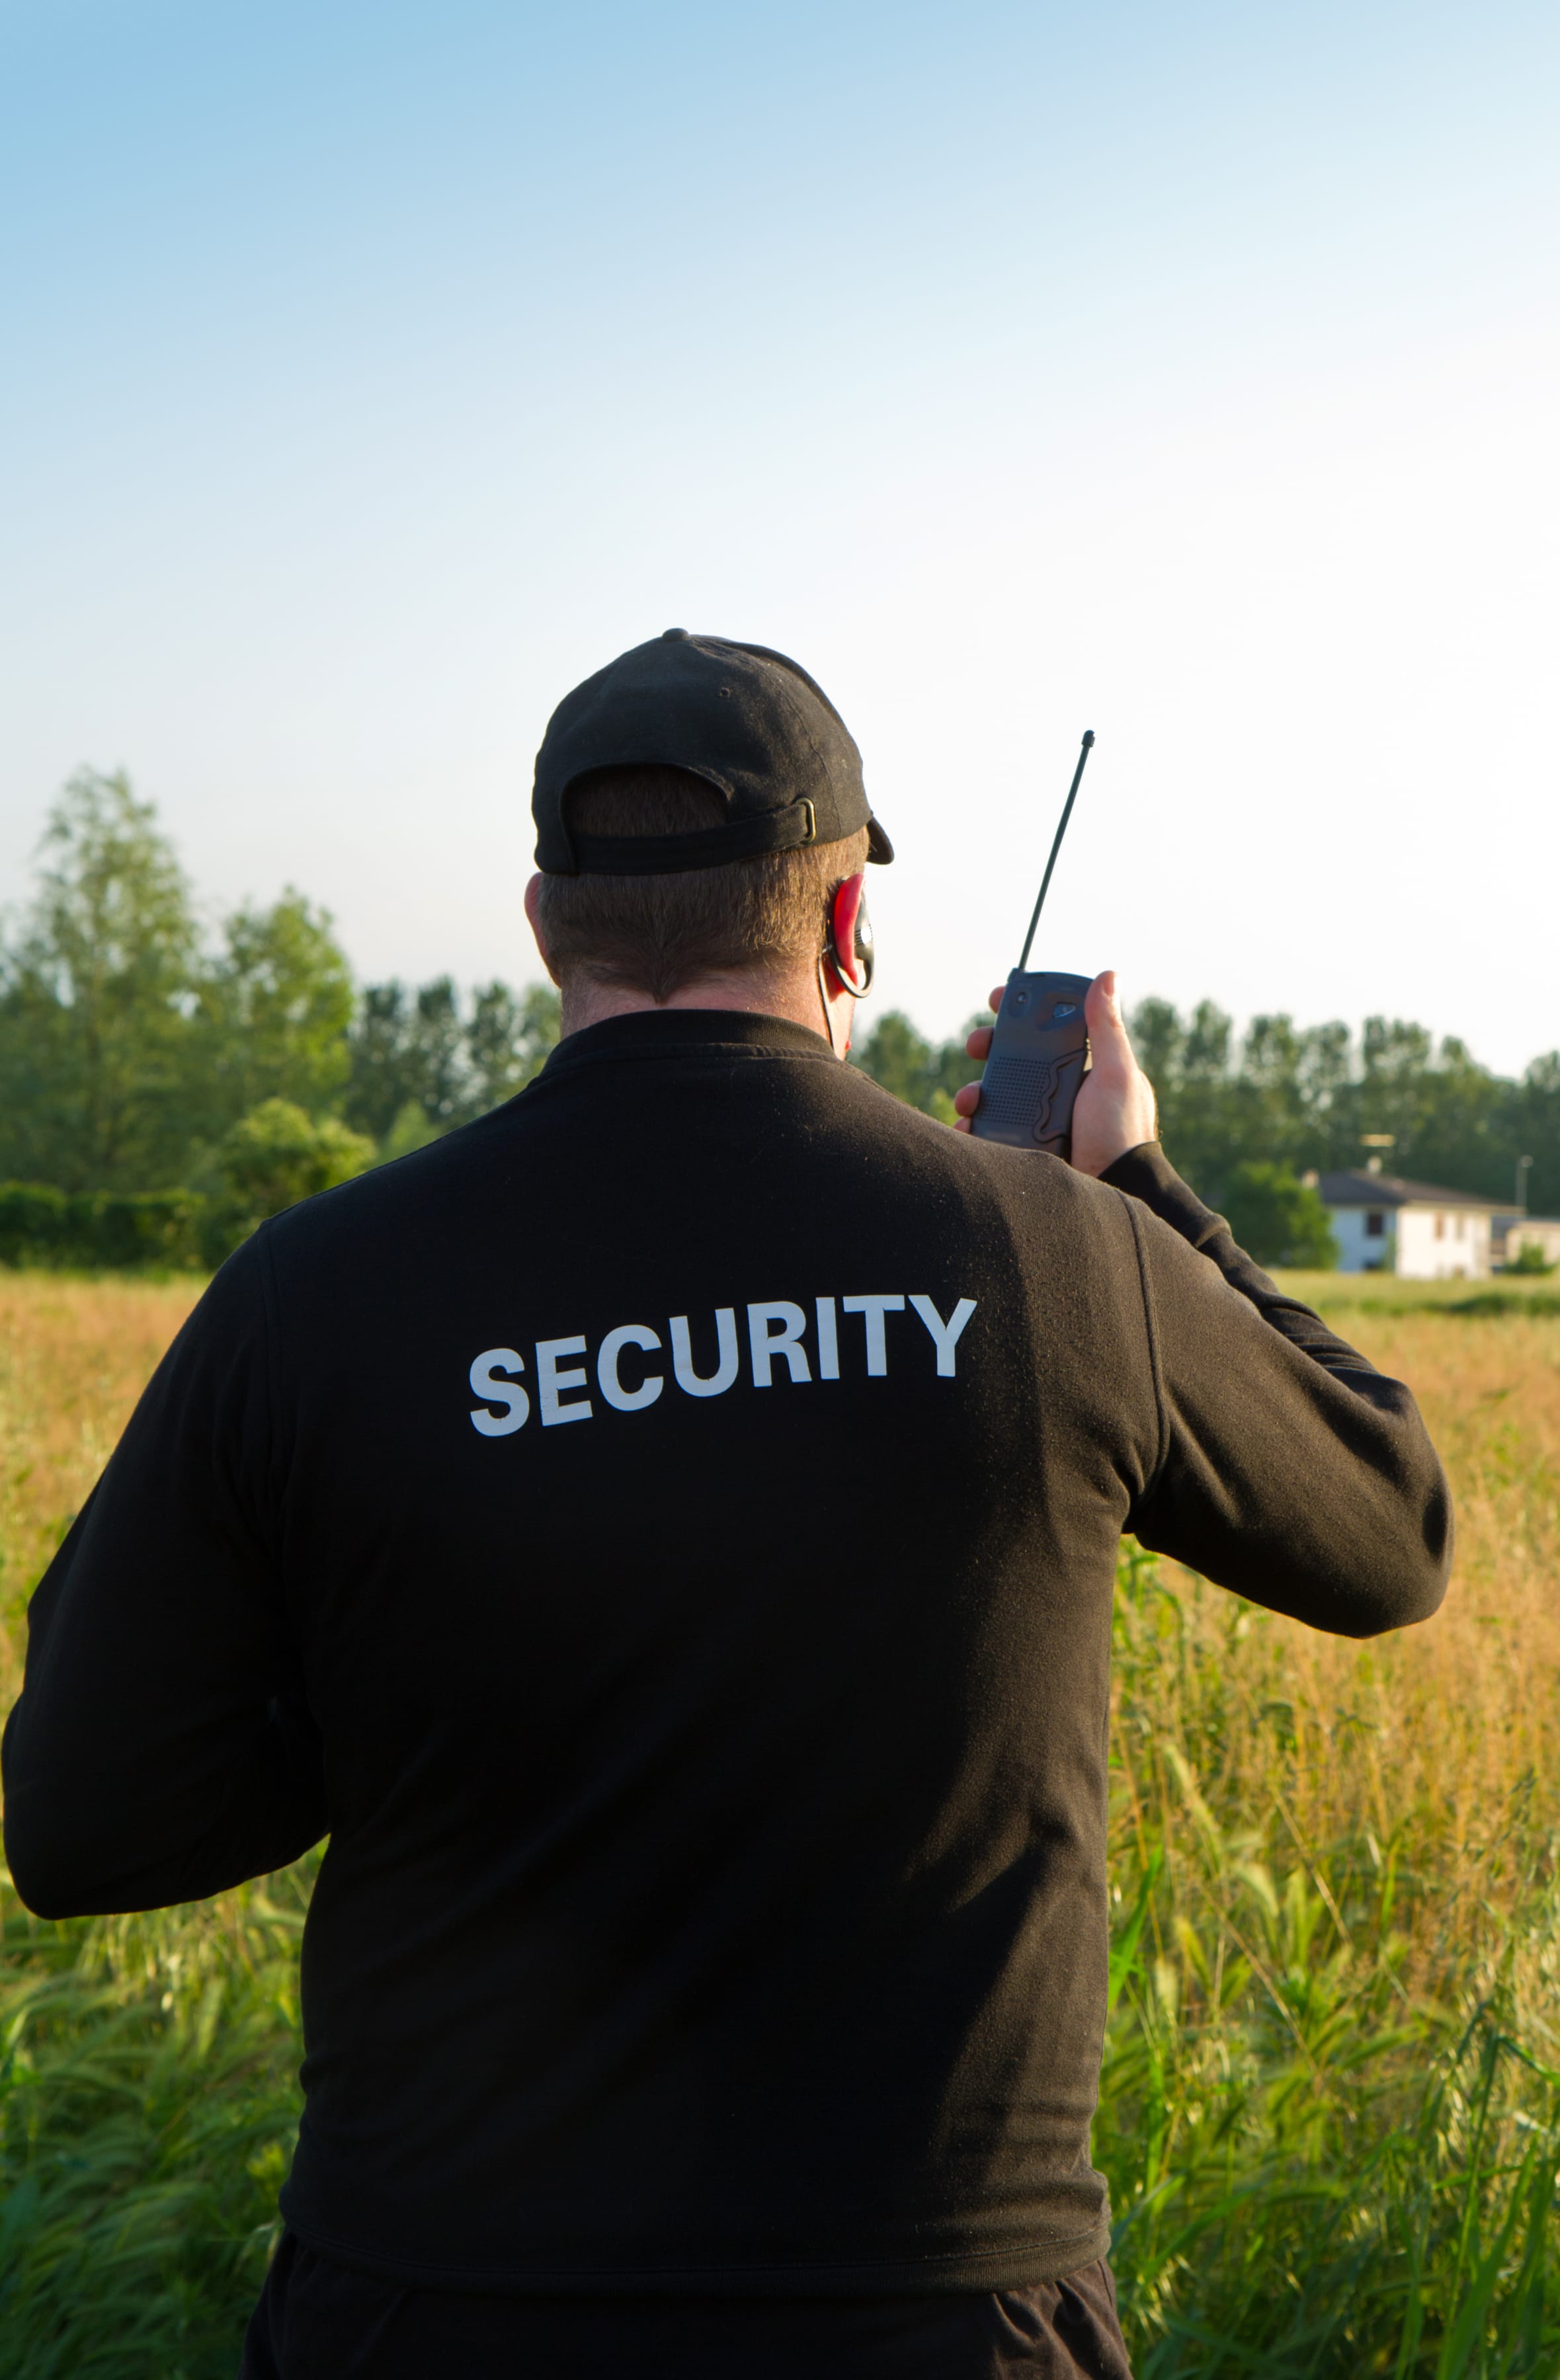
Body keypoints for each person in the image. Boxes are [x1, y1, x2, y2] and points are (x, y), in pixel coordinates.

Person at [1, 629, 1451, 2379]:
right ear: (846, 932)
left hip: (436, 2312)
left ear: (547, 927)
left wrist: (416, 1691)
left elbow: (83, 1825)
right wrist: (1133, 1179)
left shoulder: (314, 1291)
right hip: (941, 2323)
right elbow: (1393, 1532)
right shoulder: (1059, 1258)